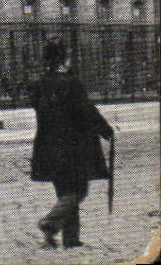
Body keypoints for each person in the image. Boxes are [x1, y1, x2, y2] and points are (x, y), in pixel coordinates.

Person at [29, 41, 113, 249]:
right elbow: (85, 111)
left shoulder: (39, 85)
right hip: (72, 147)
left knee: (65, 191)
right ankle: (49, 223)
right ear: (63, 58)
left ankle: (71, 239)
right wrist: (105, 130)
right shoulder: (71, 83)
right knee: (78, 191)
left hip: (47, 147)